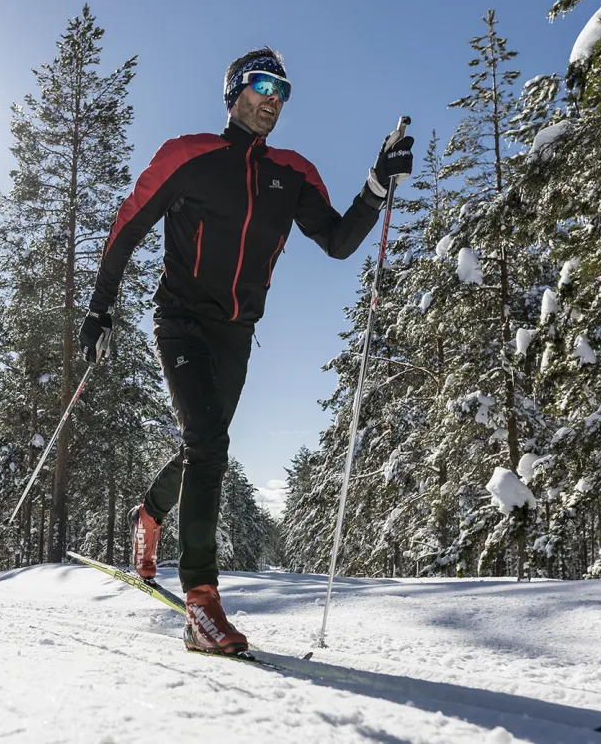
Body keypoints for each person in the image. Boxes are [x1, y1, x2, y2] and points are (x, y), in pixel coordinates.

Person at [79, 47, 413, 655]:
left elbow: (338, 243)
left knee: (203, 446)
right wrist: (98, 311)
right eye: (263, 84)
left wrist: (374, 185)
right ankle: (201, 607)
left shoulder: (294, 174)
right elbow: (127, 227)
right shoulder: (189, 156)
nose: (274, 98)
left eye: (284, 90)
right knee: (209, 444)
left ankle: (149, 514)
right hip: (180, 322)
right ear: (234, 90)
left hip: (236, 334)